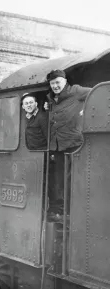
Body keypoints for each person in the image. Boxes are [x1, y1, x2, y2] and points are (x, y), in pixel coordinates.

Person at [44, 69, 92, 217]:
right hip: (56, 145)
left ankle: (74, 211)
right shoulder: (51, 99)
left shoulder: (77, 91)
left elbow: (96, 93)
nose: (55, 86)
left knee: (74, 178)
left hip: (74, 144)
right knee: (56, 179)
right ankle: (57, 210)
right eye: (52, 84)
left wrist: (88, 110)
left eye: (57, 82)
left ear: (65, 81)